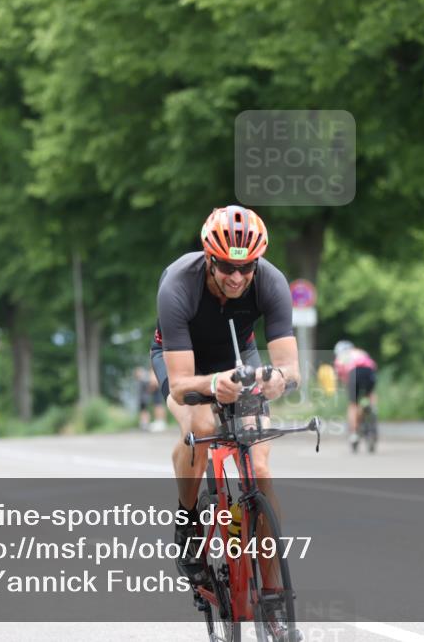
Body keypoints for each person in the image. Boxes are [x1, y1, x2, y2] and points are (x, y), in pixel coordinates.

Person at [150, 205, 299, 584]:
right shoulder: (178, 284)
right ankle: (187, 524)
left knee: (260, 470)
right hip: (184, 361)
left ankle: (272, 599)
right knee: (200, 425)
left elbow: (290, 370)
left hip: (237, 357)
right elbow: (182, 384)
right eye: (227, 267)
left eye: (247, 267)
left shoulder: (271, 282)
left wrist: (276, 380)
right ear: (209, 258)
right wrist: (213, 384)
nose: (237, 277)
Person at [333, 340, 377, 450]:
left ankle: (354, 434)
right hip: (369, 371)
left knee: (353, 404)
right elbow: (373, 365)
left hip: (353, 372)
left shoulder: (341, 357)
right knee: (369, 394)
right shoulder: (360, 352)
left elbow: (343, 378)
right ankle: (371, 407)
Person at [135, 367, 167, 432]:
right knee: (155, 404)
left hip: (156, 387)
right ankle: (154, 422)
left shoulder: (153, 370)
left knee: (158, 404)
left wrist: (151, 388)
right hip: (153, 388)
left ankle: (160, 422)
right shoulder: (146, 375)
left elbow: (154, 382)